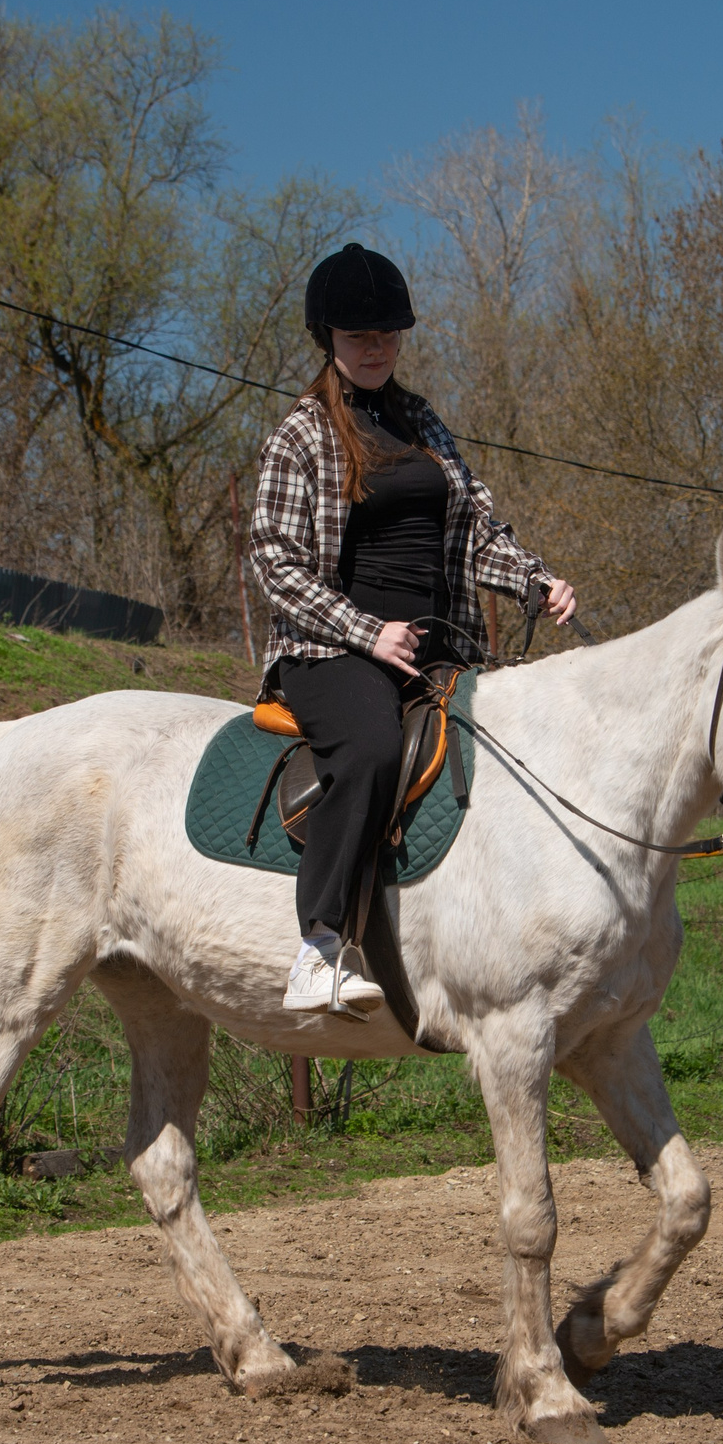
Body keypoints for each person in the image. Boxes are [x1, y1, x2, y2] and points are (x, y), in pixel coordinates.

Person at [249, 243, 578, 1014]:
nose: (375, 350)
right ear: (327, 336)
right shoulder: (300, 436)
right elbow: (274, 561)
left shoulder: (421, 420)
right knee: (369, 748)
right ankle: (320, 946)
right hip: (330, 650)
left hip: (438, 646)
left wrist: (535, 584)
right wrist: (367, 633)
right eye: (360, 337)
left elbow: (474, 530)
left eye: (388, 337)